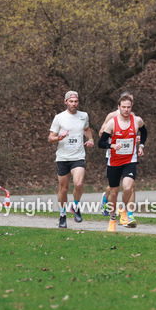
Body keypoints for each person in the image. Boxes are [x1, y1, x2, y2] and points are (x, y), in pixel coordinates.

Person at [97, 93, 146, 232]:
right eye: (123, 107)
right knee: (113, 191)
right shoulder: (112, 120)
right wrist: (111, 145)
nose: (126, 109)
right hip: (113, 160)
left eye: (128, 107)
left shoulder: (136, 120)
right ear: (119, 107)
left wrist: (140, 144)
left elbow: (144, 132)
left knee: (129, 187)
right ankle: (112, 219)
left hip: (130, 160)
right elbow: (101, 141)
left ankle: (123, 210)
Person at [48, 90, 95, 228]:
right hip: (62, 158)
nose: (74, 104)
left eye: (76, 101)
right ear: (66, 102)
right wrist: (59, 138)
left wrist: (91, 139)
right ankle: (62, 215)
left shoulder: (83, 116)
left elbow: (86, 129)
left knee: (79, 183)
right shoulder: (59, 118)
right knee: (63, 189)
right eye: (71, 101)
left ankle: (75, 206)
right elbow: (50, 138)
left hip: (78, 156)